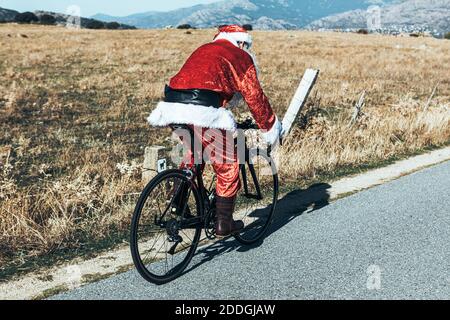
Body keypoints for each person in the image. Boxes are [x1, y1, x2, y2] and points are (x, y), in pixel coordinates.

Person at [148, 25, 283, 237]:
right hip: (206, 112)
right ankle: (224, 223)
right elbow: (255, 97)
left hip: (173, 108)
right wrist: (270, 126)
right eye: (246, 45)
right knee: (228, 165)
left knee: (194, 155)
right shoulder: (239, 56)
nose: (246, 48)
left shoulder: (205, 48)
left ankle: (178, 204)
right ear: (241, 43)